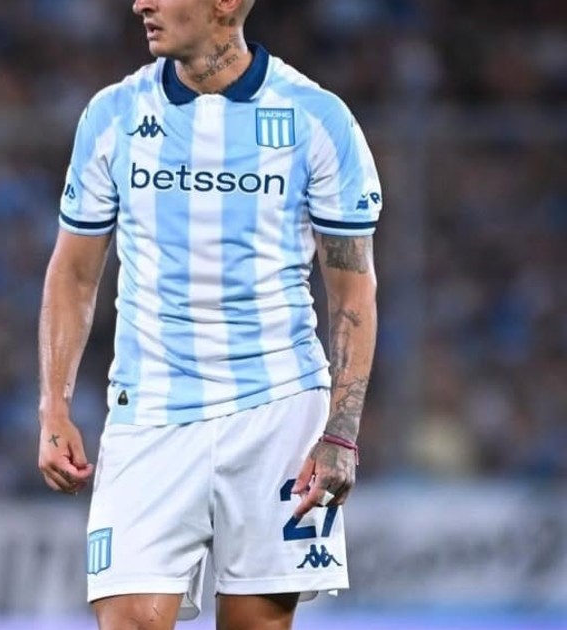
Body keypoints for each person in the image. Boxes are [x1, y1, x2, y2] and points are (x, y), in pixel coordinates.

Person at [36, 1, 381, 628]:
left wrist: (340, 432)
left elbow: (352, 293)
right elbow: (74, 272)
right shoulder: (113, 115)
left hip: (278, 412)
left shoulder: (316, 120)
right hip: (149, 410)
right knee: (131, 619)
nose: (140, 3)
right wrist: (54, 408)